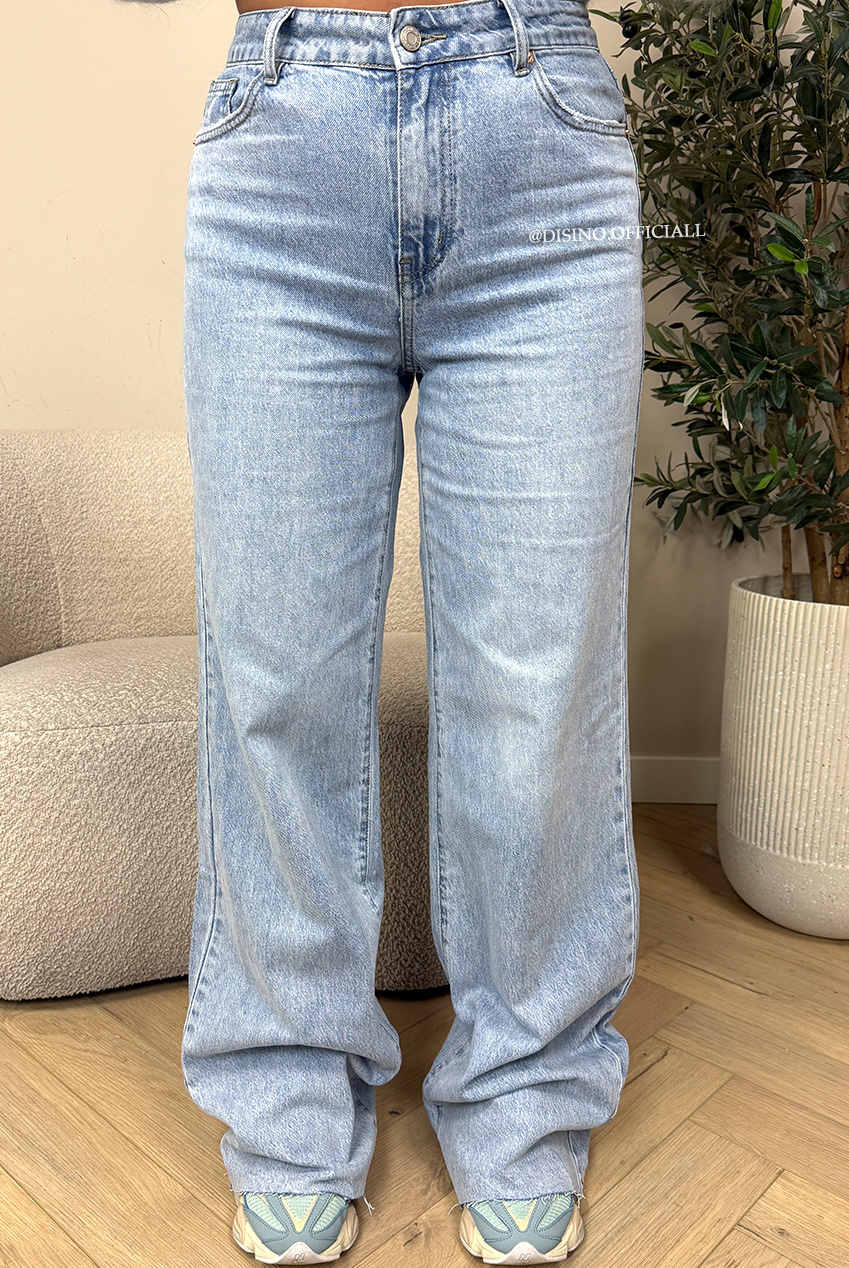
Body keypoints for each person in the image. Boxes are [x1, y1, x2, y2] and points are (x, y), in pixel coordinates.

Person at [180, 0, 644, 1260]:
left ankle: (525, 1088)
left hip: (541, 135)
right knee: (278, 673)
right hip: (284, 140)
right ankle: (285, 1090)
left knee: (536, 683)